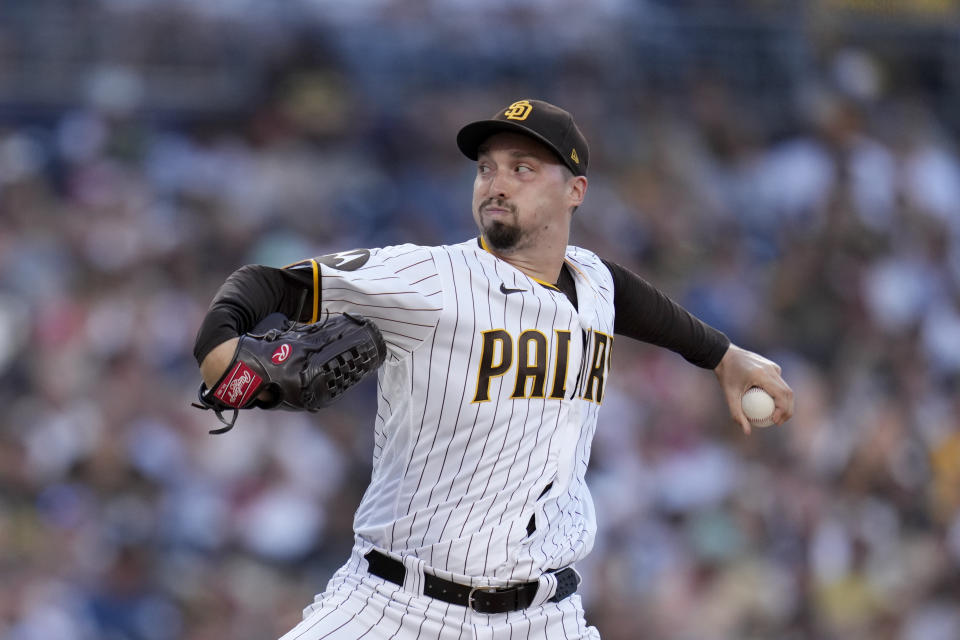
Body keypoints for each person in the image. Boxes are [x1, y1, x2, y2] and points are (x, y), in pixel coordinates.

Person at [193, 98, 794, 639]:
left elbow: (630, 298)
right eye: (486, 168)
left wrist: (722, 355)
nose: (496, 184)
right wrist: (225, 358)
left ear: (575, 192)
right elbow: (266, 283)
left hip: (543, 617)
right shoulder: (431, 280)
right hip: (395, 609)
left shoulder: (593, 281)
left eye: (522, 169)